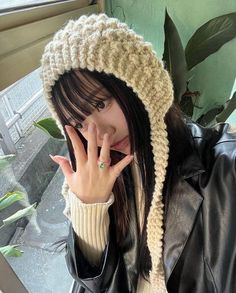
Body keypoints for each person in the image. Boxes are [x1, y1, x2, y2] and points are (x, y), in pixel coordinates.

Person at [40, 13, 236, 293]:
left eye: (100, 104)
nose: (100, 134)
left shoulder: (222, 167)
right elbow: (95, 284)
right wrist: (89, 208)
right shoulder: (97, 180)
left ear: (137, 84)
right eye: (80, 123)